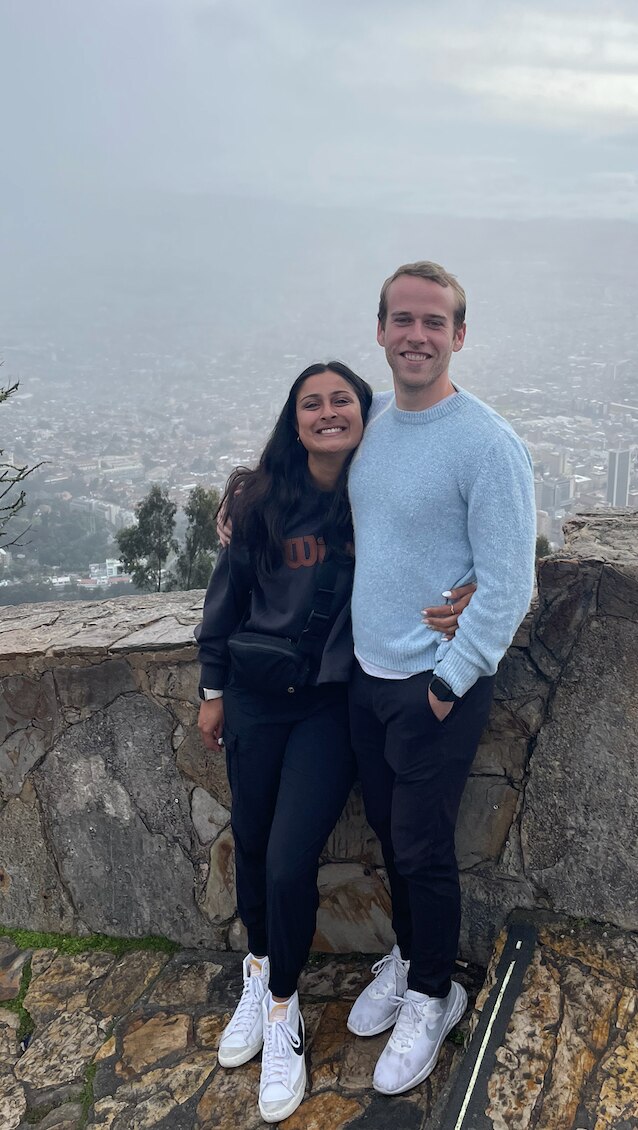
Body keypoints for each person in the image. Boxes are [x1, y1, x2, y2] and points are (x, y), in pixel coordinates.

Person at [196, 360, 474, 1123]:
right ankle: (260, 974)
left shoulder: (374, 492)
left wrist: (479, 584)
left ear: (364, 410)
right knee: (251, 843)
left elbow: (449, 532)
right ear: (293, 419)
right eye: (310, 403)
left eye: (341, 401)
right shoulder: (257, 501)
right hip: (256, 700)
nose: (327, 414)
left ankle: (282, 1012)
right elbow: (226, 600)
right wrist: (212, 689)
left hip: (328, 705)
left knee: (290, 858)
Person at [345, 261, 537, 1096]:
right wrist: (241, 503)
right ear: (381, 332)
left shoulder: (488, 444)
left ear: (459, 336)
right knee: (389, 832)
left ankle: (435, 990)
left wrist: (450, 678)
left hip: (434, 682)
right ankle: (410, 950)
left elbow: (510, 581)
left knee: (424, 847)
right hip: (367, 674)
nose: (417, 335)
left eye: (435, 322)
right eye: (403, 320)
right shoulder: (374, 421)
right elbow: (316, 490)